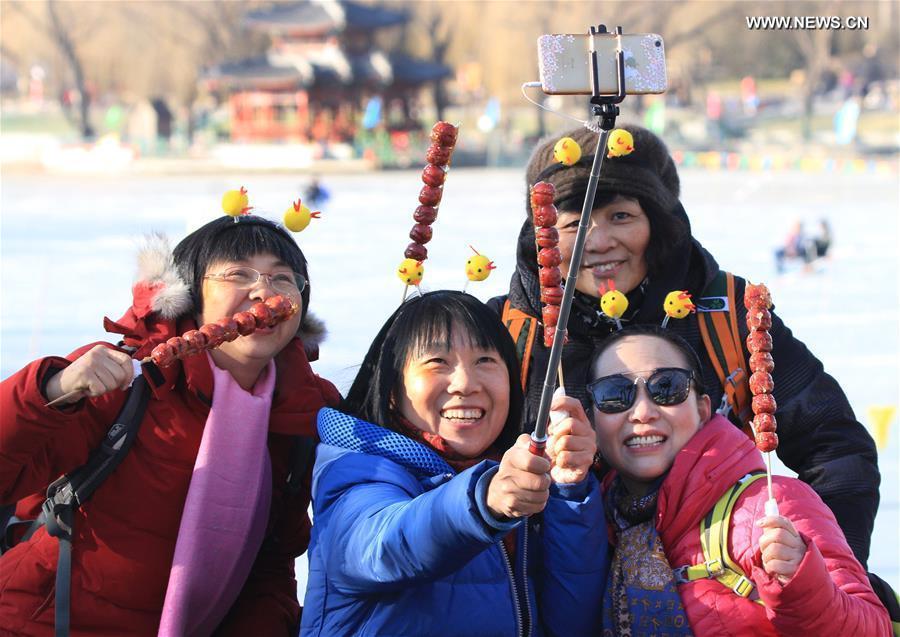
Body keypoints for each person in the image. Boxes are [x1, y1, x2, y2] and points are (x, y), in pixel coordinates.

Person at [488, 124, 880, 572]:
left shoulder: (730, 315)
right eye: (573, 224)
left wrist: (829, 577)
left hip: (716, 598)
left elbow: (835, 448)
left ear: (660, 223)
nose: (597, 243)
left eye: (621, 216)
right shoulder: (505, 333)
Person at [0, 215, 340, 636]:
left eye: (283, 278)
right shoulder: (127, 377)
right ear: (190, 296)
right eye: (238, 273)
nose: (263, 291)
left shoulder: (302, 415)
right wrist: (51, 388)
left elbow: (271, 565)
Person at [300, 290, 607, 636]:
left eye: (486, 361)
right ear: (391, 387)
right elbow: (383, 548)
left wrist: (568, 492)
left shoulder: (519, 479)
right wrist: (484, 502)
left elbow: (570, 623)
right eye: (437, 362)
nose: (465, 384)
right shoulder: (357, 470)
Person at [590, 325, 890, 636]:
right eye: (613, 394)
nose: (642, 412)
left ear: (703, 409)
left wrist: (802, 582)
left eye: (667, 387)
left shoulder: (772, 505)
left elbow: (872, 628)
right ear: (593, 419)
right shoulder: (588, 524)